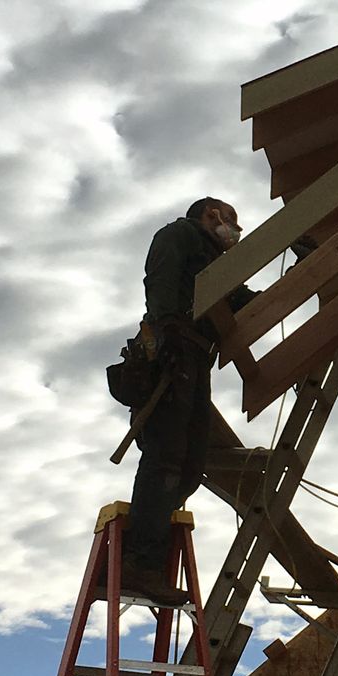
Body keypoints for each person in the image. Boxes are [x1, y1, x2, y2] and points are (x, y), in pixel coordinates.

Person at [121, 197, 254, 601]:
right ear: (212, 215)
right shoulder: (179, 234)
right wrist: (167, 337)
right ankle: (138, 563)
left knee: (191, 465)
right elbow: (159, 284)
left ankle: (146, 555)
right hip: (174, 353)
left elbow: (241, 301)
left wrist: (301, 267)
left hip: (196, 358)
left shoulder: (217, 264)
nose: (236, 229)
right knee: (165, 456)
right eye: (232, 220)